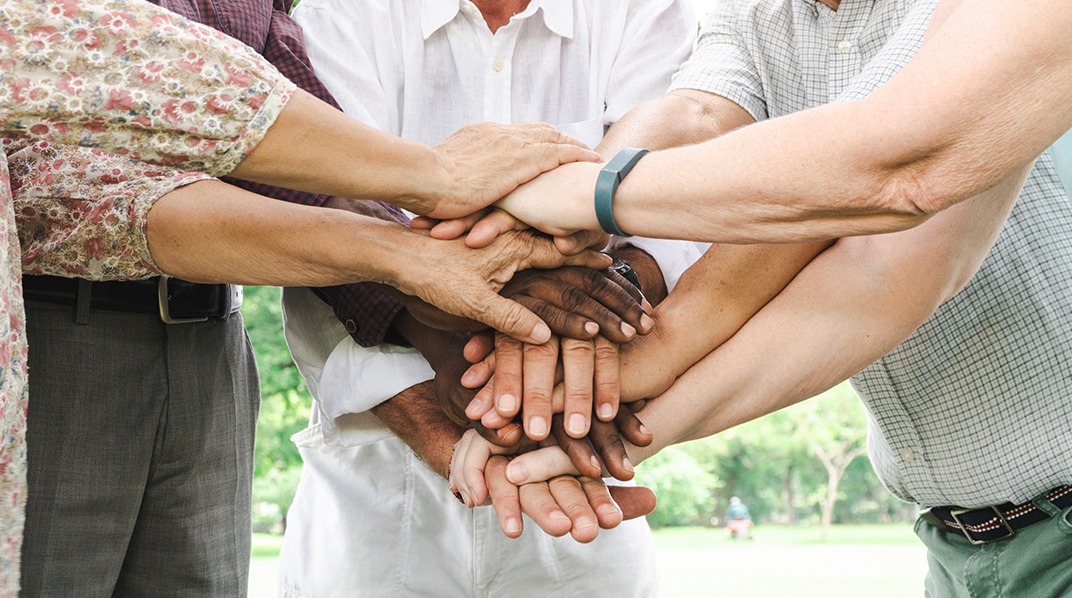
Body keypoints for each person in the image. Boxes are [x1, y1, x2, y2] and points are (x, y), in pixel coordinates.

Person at [452, 0, 1072, 594]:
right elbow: (696, 115)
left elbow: (886, 200)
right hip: (959, 544)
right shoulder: (754, 18)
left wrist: (573, 197)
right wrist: (587, 401)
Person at [0, 0, 611, 593]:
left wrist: (459, 334)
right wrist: (428, 194)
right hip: (44, 339)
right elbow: (79, 158)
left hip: (208, 348)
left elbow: (308, 173)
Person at [277, 0, 699, 595]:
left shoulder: (642, 11)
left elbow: (678, 211)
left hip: (574, 446)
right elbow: (321, 216)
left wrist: (588, 313)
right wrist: (473, 367)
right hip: (376, 484)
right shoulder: (342, 14)